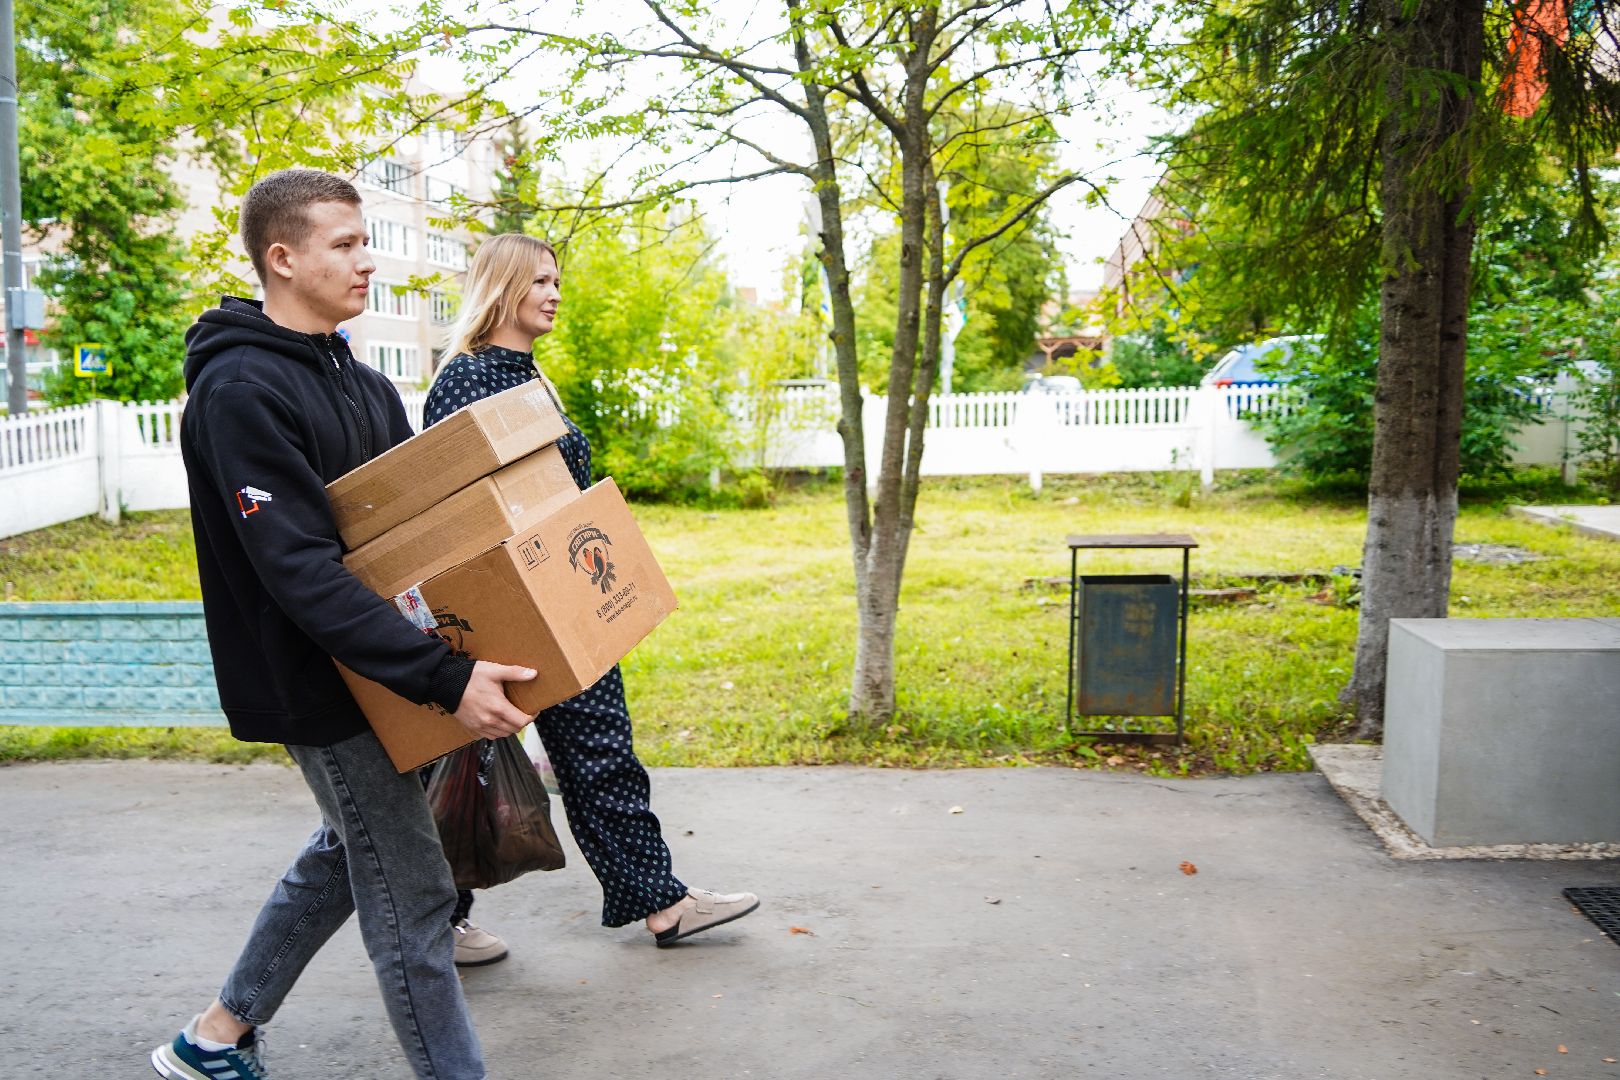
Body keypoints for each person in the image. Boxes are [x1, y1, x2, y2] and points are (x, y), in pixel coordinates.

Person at [152, 169, 537, 1080]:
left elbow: (401, 544)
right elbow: (300, 573)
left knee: (346, 848)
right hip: (317, 683)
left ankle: (214, 1037)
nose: (369, 261)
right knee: (413, 897)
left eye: (368, 241)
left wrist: (473, 649)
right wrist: (445, 679)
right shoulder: (240, 390)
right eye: (345, 244)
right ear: (281, 259)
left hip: (390, 671)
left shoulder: (363, 383)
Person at [425, 232, 759, 965]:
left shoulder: (527, 376)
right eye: (540, 280)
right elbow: (457, 511)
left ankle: (660, 902)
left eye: (556, 281)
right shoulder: (467, 378)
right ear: (504, 286)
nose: (553, 292)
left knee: (597, 749)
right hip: (515, 603)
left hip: (558, 592)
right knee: (463, 763)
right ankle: (435, 922)